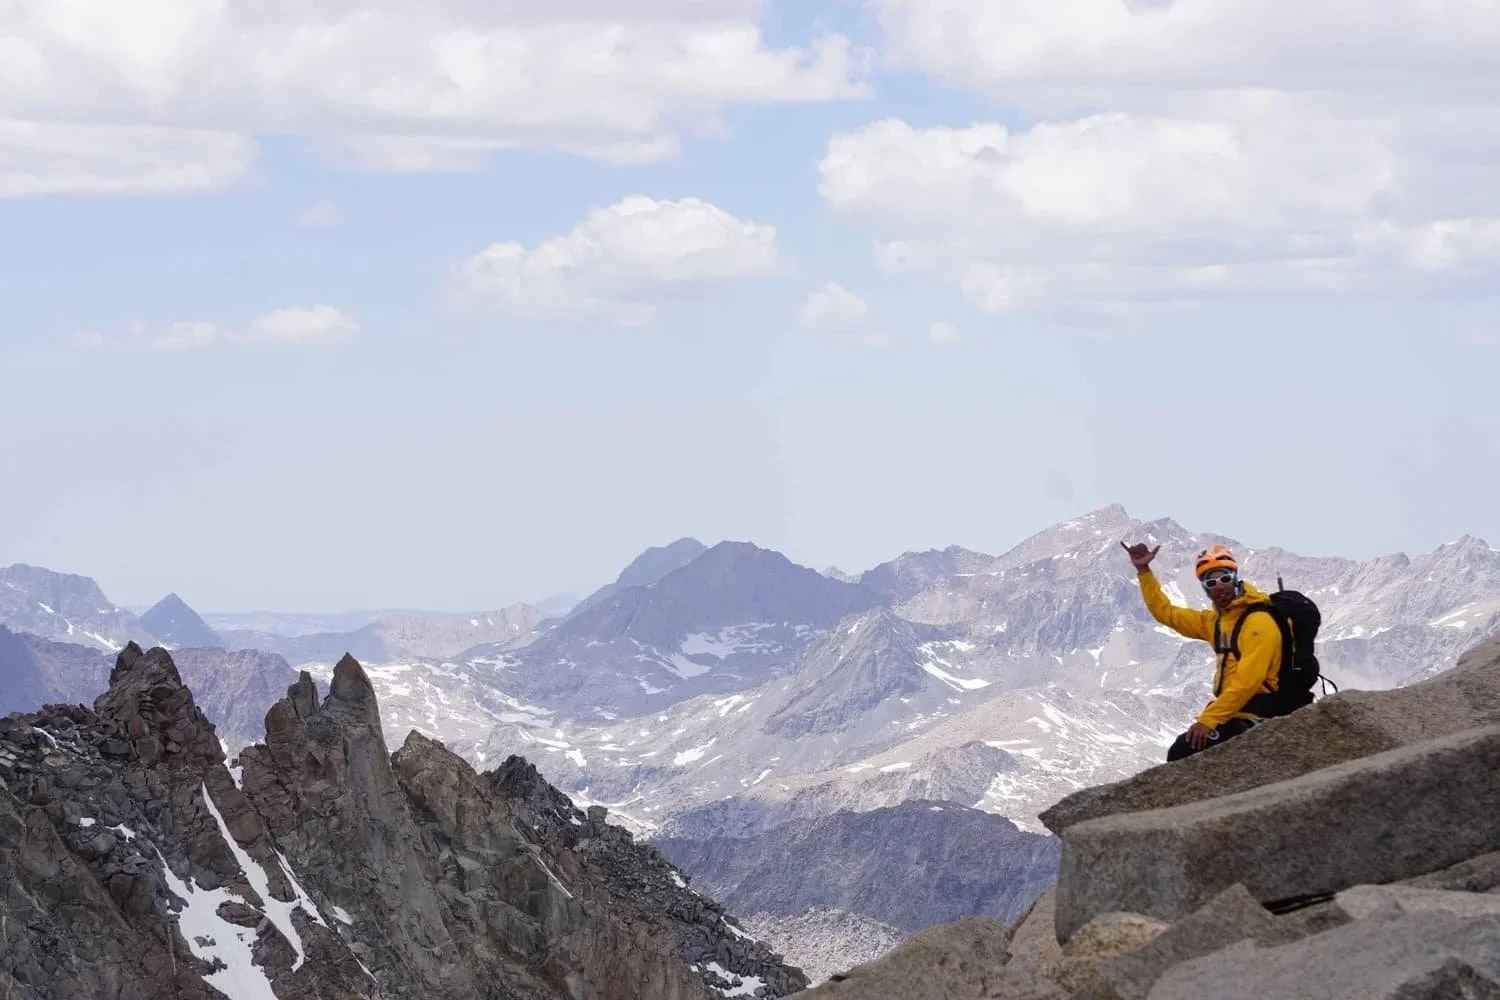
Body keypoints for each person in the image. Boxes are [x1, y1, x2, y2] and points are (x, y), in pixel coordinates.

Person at [1120, 541, 1284, 761]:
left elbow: (1249, 680)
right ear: (1205, 587)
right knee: (1182, 751)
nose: (1219, 586)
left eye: (1225, 579)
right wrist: (1143, 571)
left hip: (1262, 714)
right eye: (1211, 581)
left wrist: (1209, 720)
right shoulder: (1216, 622)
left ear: (1235, 578)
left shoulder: (1258, 622)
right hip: (1235, 712)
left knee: (1184, 751)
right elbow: (1166, 613)